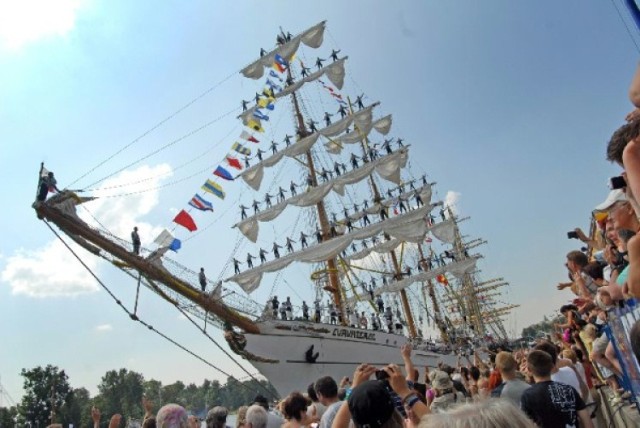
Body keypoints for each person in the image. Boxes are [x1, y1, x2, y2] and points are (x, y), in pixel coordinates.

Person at [521, 350, 593, 428]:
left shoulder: (527, 396)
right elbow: (587, 421)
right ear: (552, 366)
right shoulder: (569, 389)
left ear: (529, 370)